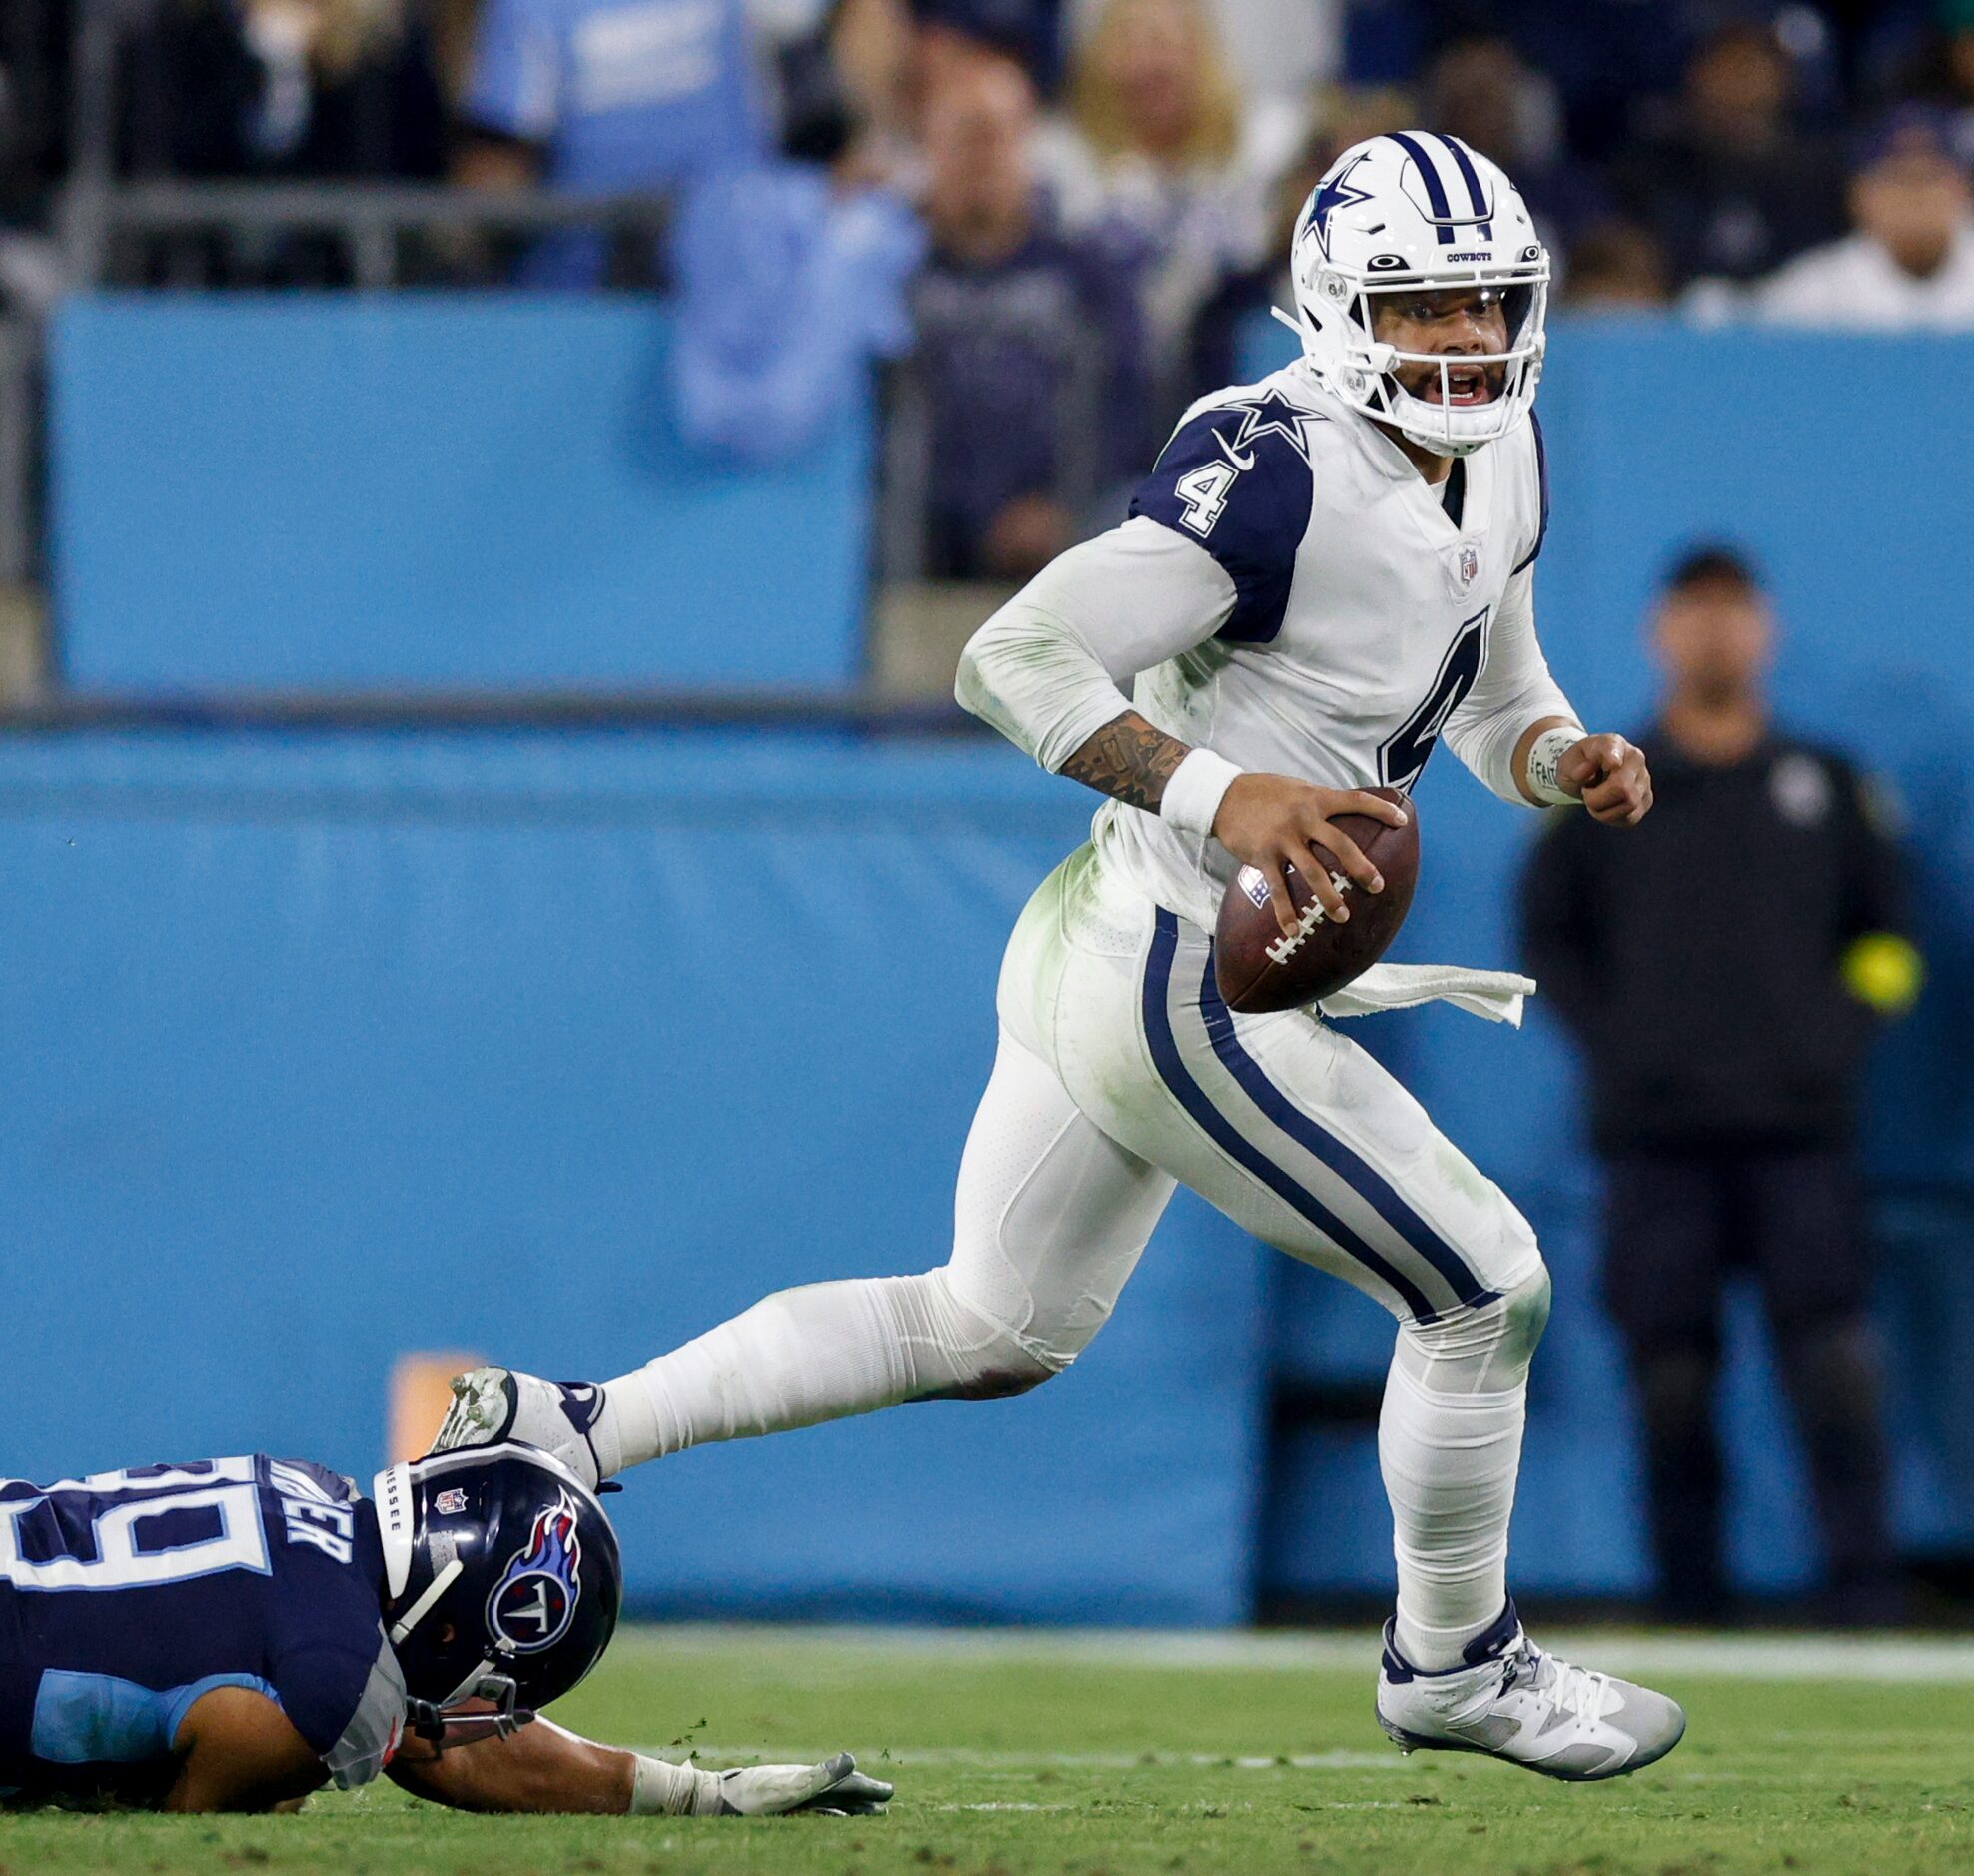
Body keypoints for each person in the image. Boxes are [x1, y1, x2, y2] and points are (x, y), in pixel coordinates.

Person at [438, 130, 1688, 1781]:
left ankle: (569, 1423)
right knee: (1483, 1285)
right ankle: (1454, 1659)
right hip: (1175, 968)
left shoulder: (1505, 445)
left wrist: (1557, 759)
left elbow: (1482, 681)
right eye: (1422, 302)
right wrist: (1220, 786)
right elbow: (1007, 654)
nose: (1459, 337)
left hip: (1124, 947)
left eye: (1482, 301)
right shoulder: (1276, 468)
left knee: (985, 1325)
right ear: (1331, 308)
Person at [1518, 546, 1920, 1626]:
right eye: (1692, 614)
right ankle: (1688, 1606)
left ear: (1764, 631)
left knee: (1833, 1364)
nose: (1713, 634)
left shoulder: (1828, 788)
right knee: (1669, 1376)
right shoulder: (1604, 793)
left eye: (1732, 614)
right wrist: (1621, 1046)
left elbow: (1888, 940)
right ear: (1659, 632)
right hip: (1655, 1141)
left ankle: (1863, 1596)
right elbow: (1548, 940)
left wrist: (1833, 1040)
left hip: (1801, 1136)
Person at [0, 1444, 889, 1817]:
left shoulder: (309, 1485)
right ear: (454, 1624)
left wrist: (701, 1795)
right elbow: (185, 1807)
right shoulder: (333, 1685)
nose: (491, 1709)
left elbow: (431, 1737)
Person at [899, 54, 1145, 579]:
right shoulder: (893, 276)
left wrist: (1061, 509)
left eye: (998, 135)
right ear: (928, 147)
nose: (983, 155)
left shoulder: (1088, 280)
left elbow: (1130, 409)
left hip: (1071, 533)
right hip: (921, 540)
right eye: (966, 134)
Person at [1040, 0, 1303, 420]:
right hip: (1102, 399)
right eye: (1129, 43)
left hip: (1236, 393)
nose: (1150, 63)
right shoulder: (1060, 166)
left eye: (1166, 42)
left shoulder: (1264, 151)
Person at [1611, 22, 1845, 290]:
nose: (1738, 87)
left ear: (1782, 79)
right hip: (1673, 317)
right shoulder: (1652, 169)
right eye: (1724, 68)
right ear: (1696, 75)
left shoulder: (1818, 174)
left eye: (1748, 68)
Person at [1756, 110, 1974, 330]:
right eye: (1898, 177)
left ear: (1964, 189)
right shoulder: (1814, 292)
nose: (1916, 194)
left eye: (1931, 177)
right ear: (1861, 194)